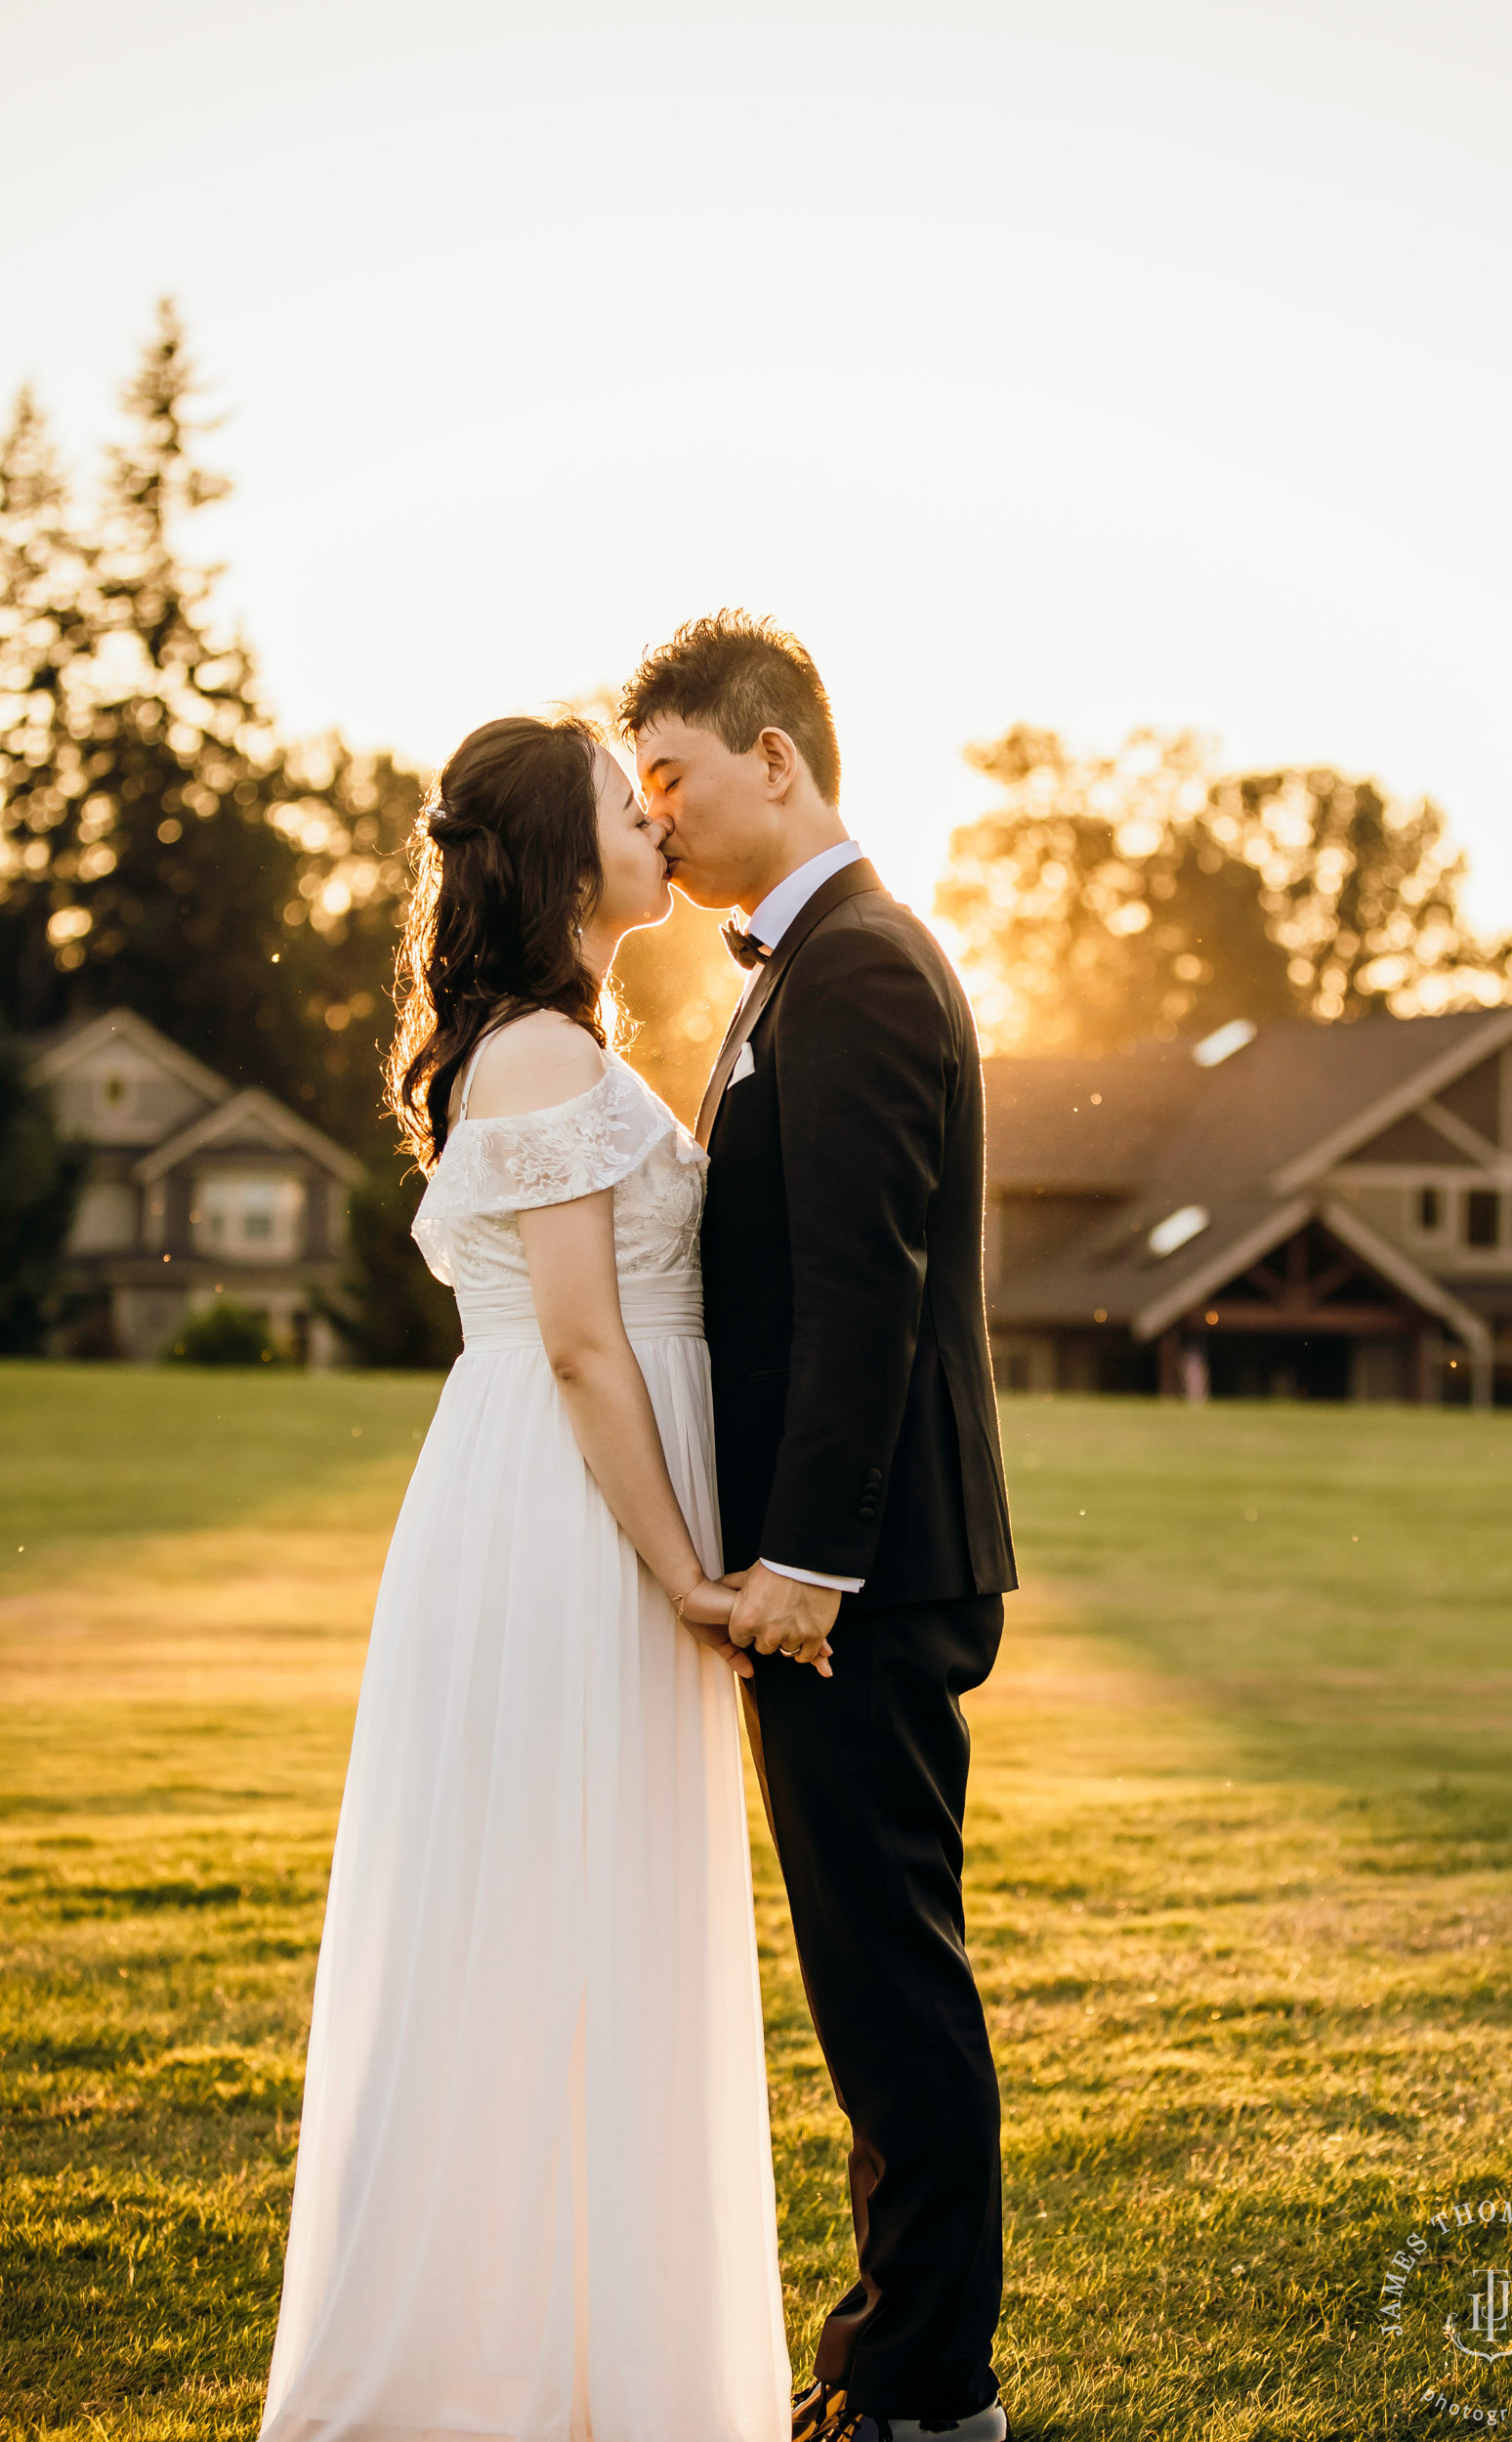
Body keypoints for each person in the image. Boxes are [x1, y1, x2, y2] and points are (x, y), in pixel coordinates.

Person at [258, 713, 796, 2442]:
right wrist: (689, 1575)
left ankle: (578, 2350)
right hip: (573, 1522)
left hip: (570, 1505)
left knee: (585, 1918)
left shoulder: (558, 1042)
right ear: (566, 867)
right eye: (620, 811)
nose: (654, 826)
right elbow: (579, 1344)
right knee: (547, 1913)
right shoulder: (545, 1062)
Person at [624, 613, 1018, 2442]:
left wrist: (806, 1562)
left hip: (870, 1573)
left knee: (891, 1980)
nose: (663, 817)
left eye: (675, 776)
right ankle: (891, 2353)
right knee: (871, 1980)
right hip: (855, 1568)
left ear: (775, 756)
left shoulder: (856, 969)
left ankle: (926, 2391)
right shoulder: (798, 970)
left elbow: (866, 1289)